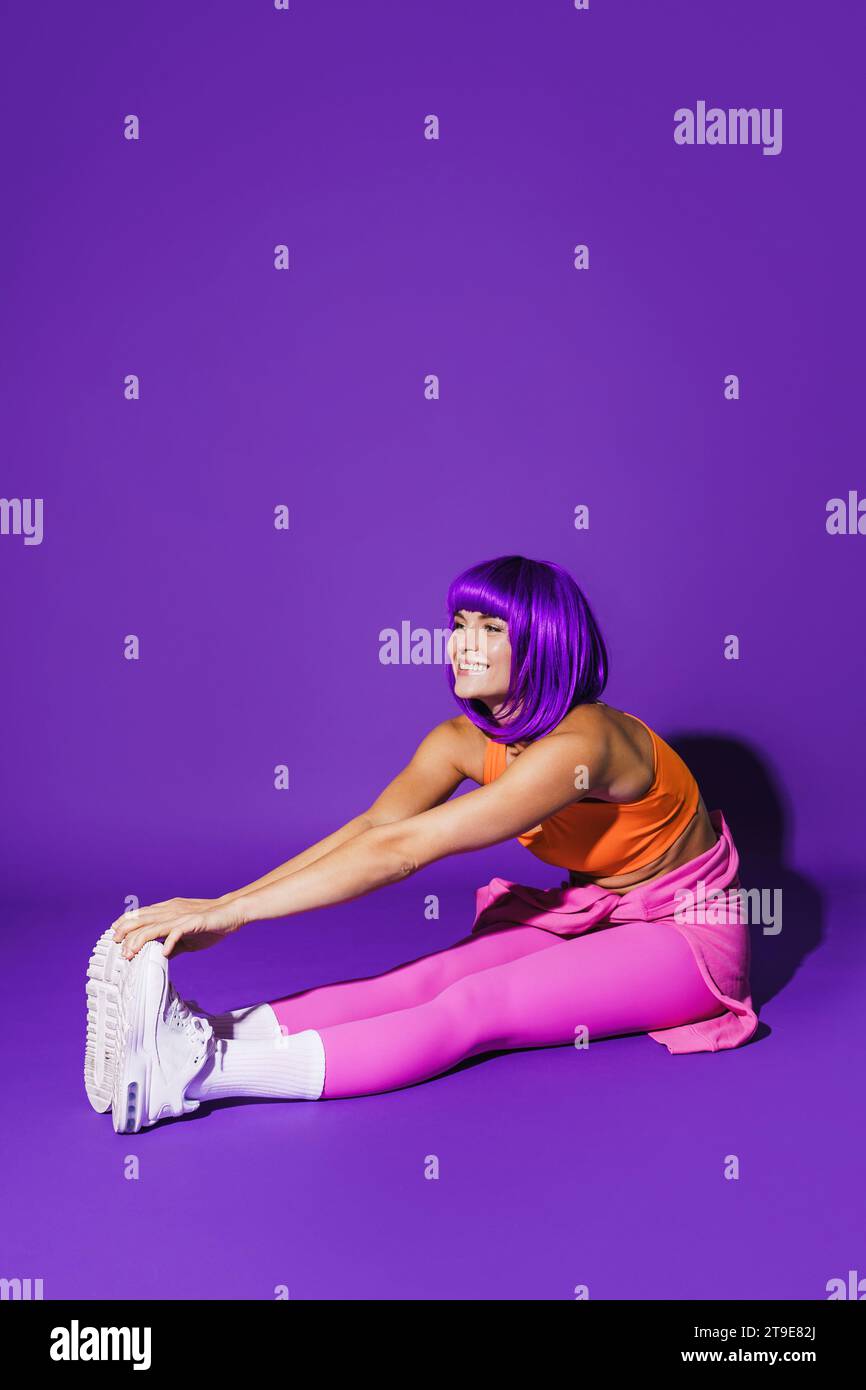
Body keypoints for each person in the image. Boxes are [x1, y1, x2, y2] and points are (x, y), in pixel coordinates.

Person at [84, 555, 758, 1134]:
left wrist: (230, 916)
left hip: (685, 934)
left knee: (475, 1007)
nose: (464, 643)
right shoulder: (460, 744)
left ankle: (193, 1075)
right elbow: (374, 830)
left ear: (545, 644)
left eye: (492, 629)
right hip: (591, 912)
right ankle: (204, 1033)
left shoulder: (586, 744)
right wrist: (226, 903)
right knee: (424, 979)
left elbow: (407, 852)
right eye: (460, 625)